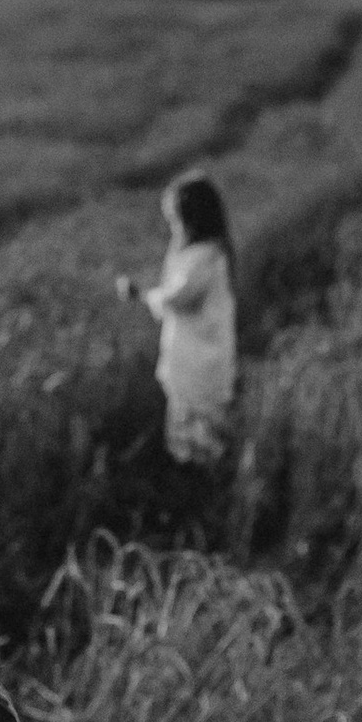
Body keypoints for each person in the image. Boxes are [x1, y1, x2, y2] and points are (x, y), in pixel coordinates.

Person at [115, 170, 238, 520]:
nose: (172, 227)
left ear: (190, 218)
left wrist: (140, 293)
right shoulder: (201, 252)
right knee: (189, 422)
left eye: (174, 219)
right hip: (190, 353)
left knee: (202, 426)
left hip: (201, 357)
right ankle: (199, 495)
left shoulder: (206, 257)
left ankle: (207, 500)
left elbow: (179, 297)